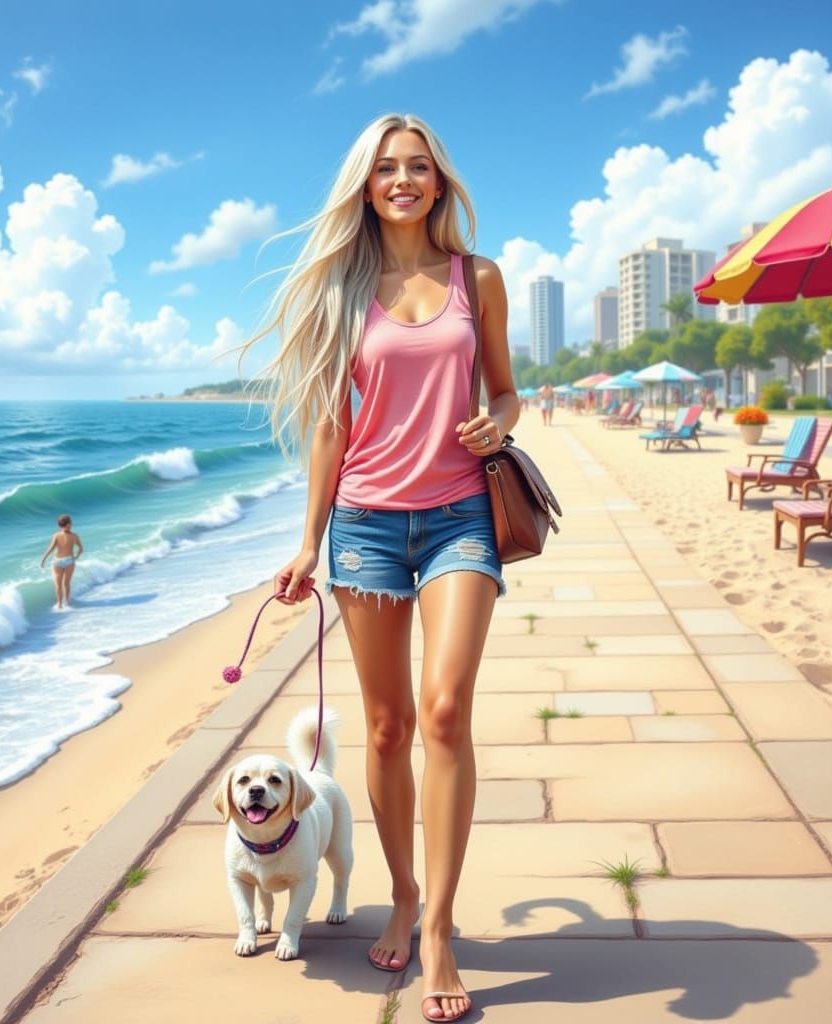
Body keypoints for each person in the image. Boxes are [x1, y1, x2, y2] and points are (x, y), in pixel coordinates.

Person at [238, 113, 517, 1023]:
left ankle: (436, 927)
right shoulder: (344, 290)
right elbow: (328, 424)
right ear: (366, 185)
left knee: (444, 708)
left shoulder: (479, 278)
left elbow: (506, 388)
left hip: (458, 521)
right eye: (388, 169)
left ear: (440, 181)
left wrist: (502, 421)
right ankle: (401, 888)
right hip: (362, 525)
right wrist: (308, 541)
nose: (404, 179)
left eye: (420, 166)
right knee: (389, 728)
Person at [40, 514, 83, 610]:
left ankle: (64, 603)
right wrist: (43, 559)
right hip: (62, 562)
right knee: (60, 584)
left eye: (68, 524)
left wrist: (76, 557)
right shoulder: (64, 536)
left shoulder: (69, 536)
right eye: (66, 525)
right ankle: (62, 603)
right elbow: (51, 548)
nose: (68, 526)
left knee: (64, 584)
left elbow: (80, 548)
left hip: (64, 561)